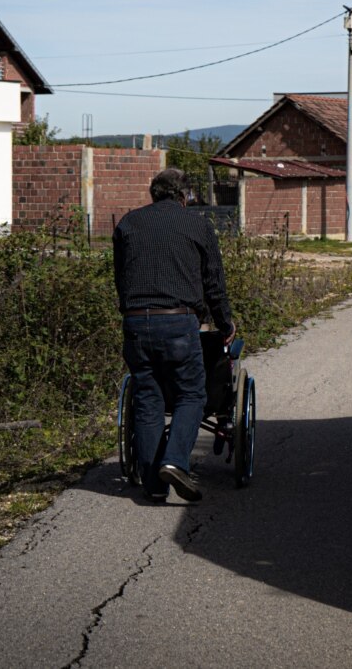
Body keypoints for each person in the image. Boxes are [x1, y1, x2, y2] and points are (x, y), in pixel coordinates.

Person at [112, 167, 235, 503]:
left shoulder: (128, 223)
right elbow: (213, 283)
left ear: (154, 194)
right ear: (185, 197)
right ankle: (175, 461)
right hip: (178, 322)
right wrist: (225, 325)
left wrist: (133, 313)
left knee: (149, 401)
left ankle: (154, 485)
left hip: (135, 324)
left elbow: (121, 280)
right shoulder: (197, 224)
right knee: (192, 396)